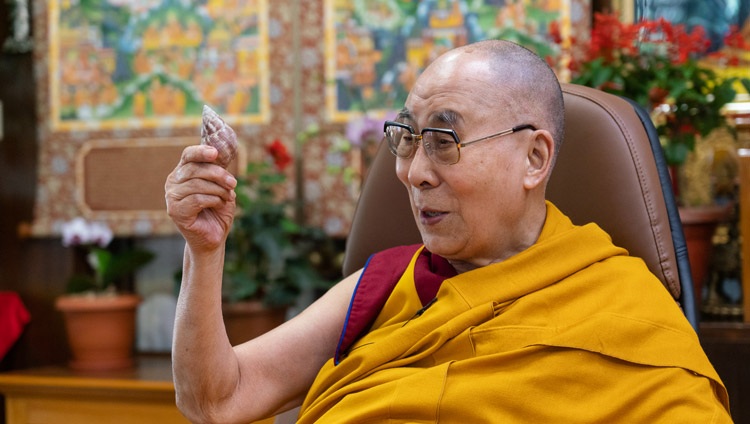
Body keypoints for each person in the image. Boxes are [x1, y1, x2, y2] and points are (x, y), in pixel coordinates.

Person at [165, 39, 731, 423]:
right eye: (408, 138)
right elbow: (217, 401)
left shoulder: (624, 305)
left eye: (444, 141)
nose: (413, 172)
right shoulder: (384, 286)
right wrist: (204, 250)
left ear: (534, 159)